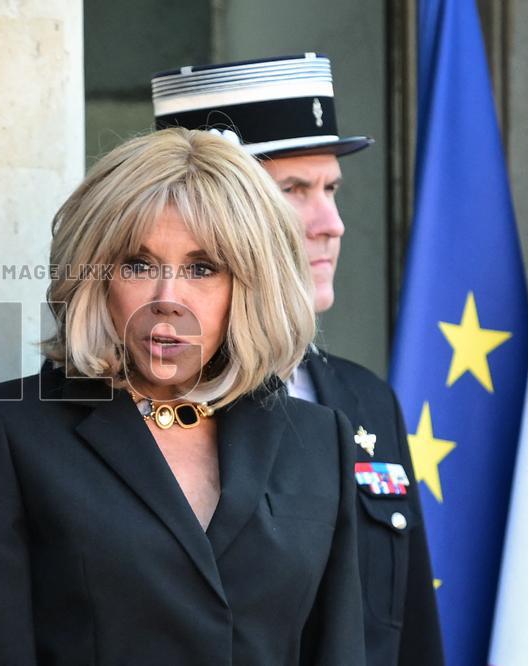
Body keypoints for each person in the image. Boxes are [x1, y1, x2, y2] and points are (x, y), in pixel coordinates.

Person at [0, 128, 365, 665]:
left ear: (251, 286)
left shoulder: (320, 439)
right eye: (138, 265)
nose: (168, 299)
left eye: (202, 268)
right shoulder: (11, 429)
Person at [152, 53, 443, 665]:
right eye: (293, 190)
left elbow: (409, 631)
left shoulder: (365, 399)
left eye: (331, 189)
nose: (331, 223)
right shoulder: (133, 407)